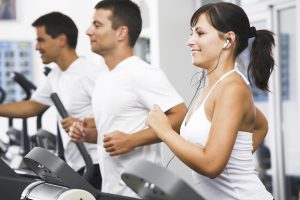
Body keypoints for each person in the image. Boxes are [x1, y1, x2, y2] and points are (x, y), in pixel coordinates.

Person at [146, 2, 274, 200]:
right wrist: (235, 159)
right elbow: (261, 125)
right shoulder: (212, 87)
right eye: (192, 33)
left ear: (228, 40)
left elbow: (211, 165)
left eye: (200, 33)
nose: (190, 41)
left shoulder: (233, 88)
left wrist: (164, 131)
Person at [70, 0, 187, 197]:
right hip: (112, 190)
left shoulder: (142, 73)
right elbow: (119, 128)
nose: (88, 31)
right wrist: (88, 135)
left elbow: (181, 116)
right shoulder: (104, 76)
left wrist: (132, 140)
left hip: (138, 192)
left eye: (97, 25)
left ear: (121, 33)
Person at [0, 12, 102, 189]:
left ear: (61, 40)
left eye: (41, 40)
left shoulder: (89, 73)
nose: (36, 47)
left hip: (96, 164)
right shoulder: (56, 75)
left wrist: (84, 124)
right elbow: (32, 106)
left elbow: (114, 115)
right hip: (77, 165)